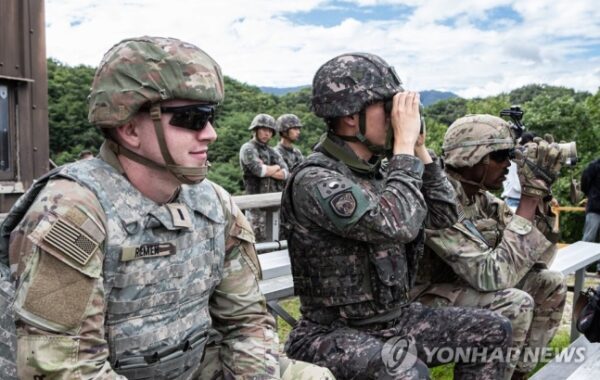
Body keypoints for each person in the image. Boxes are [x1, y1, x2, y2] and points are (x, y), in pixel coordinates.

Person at [0, 36, 332, 380]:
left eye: (211, 116)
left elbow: (246, 323)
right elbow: (65, 369)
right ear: (129, 128)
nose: (210, 133)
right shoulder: (72, 213)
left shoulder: (214, 203)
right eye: (192, 118)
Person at [281, 52, 512, 380]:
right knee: (405, 371)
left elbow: (444, 216)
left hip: (393, 320)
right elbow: (397, 226)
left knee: (492, 332)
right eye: (389, 109)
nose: (398, 118)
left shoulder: (380, 173)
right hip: (329, 334)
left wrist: (419, 150)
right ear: (350, 116)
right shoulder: (316, 180)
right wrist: (402, 147)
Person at [414, 115, 566, 379]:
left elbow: (541, 258)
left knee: (549, 282)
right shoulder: (439, 199)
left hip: (458, 291)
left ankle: (516, 374)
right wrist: (527, 200)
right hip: (419, 303)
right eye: (501, 155)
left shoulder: (482, 200)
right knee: (514, 303)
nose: (508, 164)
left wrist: (540, 197)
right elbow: (492, 275)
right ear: (473, 157)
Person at [239, 114, 289, 242]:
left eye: (270, 131)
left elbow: (285, 173)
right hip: (255, 205)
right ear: (255, 129)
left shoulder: (272, 151)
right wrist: (275, 168)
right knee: (255, 242)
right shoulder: (248, 148)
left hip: (273, 205)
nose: (267, 133)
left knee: (274, 242)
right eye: (263, 129)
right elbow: (259, 171)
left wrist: (269, 169)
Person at [502, 132, 536, 211]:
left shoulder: (534, 162)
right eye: (527, 147)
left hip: (531, 202)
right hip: (513, 202)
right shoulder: (513, 157)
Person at [581, 158, 600, 274]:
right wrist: (591, 195)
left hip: (594, 203)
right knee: (588, 238)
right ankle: (581, 266)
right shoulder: (594, 165)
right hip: (595, 206)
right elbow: (585, 183)